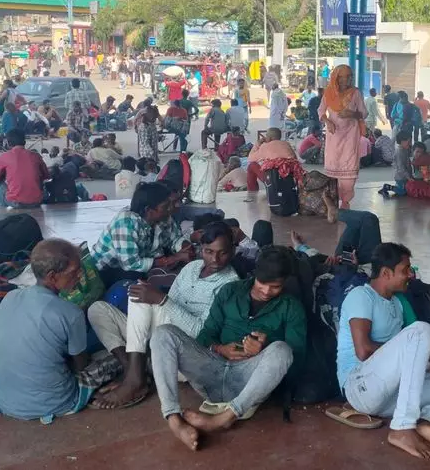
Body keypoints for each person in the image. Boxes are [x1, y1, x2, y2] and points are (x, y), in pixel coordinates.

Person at [336, 242, 430, 460]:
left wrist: (420, 359)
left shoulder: (396, 303)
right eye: (405, 270)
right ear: (386, 273)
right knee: (421, 330)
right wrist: (409, 354)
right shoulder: (361, 296)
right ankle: (402, 428)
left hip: (393, 395)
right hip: (360, 387)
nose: (410, 275)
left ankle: (425, 422)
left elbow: (399, 356)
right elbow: (364, 351)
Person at [150, 245, 306, 451]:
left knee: (282, 350)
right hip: (211, 371)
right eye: (263, 283)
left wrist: (264, 347)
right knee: (163, 333)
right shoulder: (230, 291)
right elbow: (205, 335)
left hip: (249, 383)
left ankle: (225, 417)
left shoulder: (291, 307)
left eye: (275, 287)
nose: (267, 291)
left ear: (284, 283)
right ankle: (173, 419)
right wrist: (220, 349)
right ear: (255, 275)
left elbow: (296, 358)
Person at [89, 221, 240, 409]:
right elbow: (168, 305)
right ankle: (133, 369)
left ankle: (135, 379)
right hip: (154, 343)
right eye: (209, 251)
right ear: (201, 249)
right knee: (98, 309)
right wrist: (160, 300)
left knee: (144, 299)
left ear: (232, 251)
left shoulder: (231, 285)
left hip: (183, 352)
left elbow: (202, 332)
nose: (215, 259)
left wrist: (161, 299)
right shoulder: (191, 268)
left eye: (222, 252)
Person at [0, 239, 116, 422]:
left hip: (4, 397)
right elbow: (80, 365)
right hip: (53, 402)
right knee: (115, 357)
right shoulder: (70, 313)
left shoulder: (10, 297)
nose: (80, 275)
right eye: (73, 272)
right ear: (52, 277)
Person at [93, 182, 193, 287]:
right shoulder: (125, 222)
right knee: (134, 278)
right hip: (108, 270)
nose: (170, 208)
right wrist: (171, 259)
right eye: (165, 206)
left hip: (136, 262)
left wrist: (185, 245)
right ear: (148, 210)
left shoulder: (163, 217)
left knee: (166, 258)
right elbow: (130, 264)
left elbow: (174, 239)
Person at [320, 65, 366, 209]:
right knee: (333, 167)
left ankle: (345, 202)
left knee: (349, 168)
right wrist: (327, 122)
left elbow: (364, 113)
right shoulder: (328, 93)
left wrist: (352, 114)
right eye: (343, 76)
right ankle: (333, 201)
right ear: (336, 78)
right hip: (334, 137)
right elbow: (320, 111)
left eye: (349, 76)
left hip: (350, 137)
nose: (347, 79)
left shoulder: (356, 93)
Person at [0, 129, 49, 208]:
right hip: (37, 201)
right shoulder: (36, 156)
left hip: (16, 202)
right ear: (24, 142)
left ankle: (2, 209)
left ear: (8, 143)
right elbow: (46, 176)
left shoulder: (4, 157)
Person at [245, 127, 298, 201]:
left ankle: (252, 193)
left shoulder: (265, 146)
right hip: (289, 178)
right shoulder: (286, 144)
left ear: (269, 138)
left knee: (252, 166)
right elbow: (295, 159)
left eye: (266, 135)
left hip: (273, 179)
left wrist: (257, 145)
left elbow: (250, 158)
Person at [378, 130, 412, 197]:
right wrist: (408, 177)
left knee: (407, 190)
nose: (410, 143)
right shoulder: (399, 152)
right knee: (402, 192)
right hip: (400, 177)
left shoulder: (405, 149)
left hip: (405, 176)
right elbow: (400, 168)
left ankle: (398, 187)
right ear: (402, 141)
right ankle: (387, 187)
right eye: (409, 141)